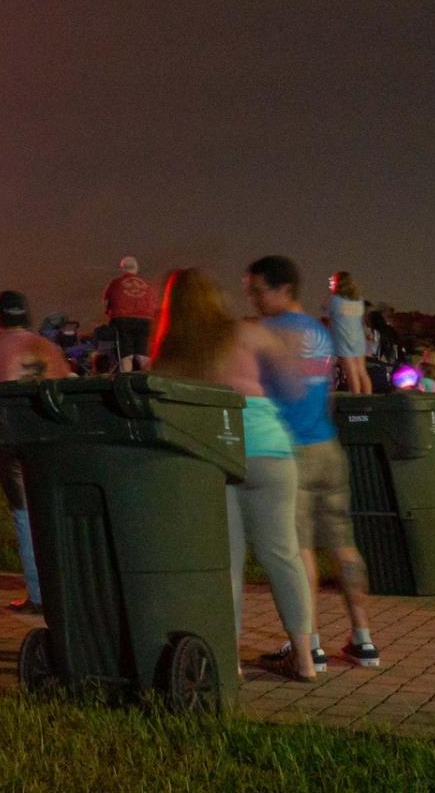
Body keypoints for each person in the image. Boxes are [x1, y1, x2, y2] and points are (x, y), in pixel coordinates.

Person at [151, 267, 317, 681]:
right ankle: (305, 657)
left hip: (215, 457)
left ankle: (232, 661)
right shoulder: (249, 332)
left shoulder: (172, 350)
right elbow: (294, 387)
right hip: (270, 451)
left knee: (227, 563)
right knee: (284, 555)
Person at [249, 255, 381, 672]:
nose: (253, 299)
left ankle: (311, 646)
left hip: (293, 450)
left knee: (299, 549)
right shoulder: (318, 333)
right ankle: (363, 641)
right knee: (343, 545)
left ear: (281, 288)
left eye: (257, 290)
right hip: (328, 445)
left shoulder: (268, 332)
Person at [0, 290, 72, 612]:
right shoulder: (49, 349)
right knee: (53, 513)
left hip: (11, 441)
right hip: (51, 442)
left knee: (24, 516)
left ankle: (37, 595)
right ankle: (64, 589)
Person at [102, 256, 156, 370]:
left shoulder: (116, 283)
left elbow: (107, 300)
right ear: (137, 268)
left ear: (122, 268)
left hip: (123, 319)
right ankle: (149, 381)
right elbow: (153, 303)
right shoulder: (147, 285)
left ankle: (126, 382)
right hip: (145, 321)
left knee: (126, 355)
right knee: (143, 356)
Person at [324, 271, 372, 396]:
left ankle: (356, 398)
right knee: (361, 370)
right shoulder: (359, 300)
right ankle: (368, 397)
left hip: (343, 337)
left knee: (350, 371)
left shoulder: (334, 300)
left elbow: (328, 315)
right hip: (358, 338)